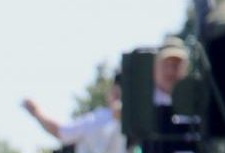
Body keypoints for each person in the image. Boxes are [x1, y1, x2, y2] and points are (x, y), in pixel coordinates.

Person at [22, 35, 188, 141]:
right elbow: (63, 132)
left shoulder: (189, 107)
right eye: (166, 64)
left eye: (176, 65)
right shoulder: (104, 119)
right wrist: (37, 112)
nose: (171, 71)